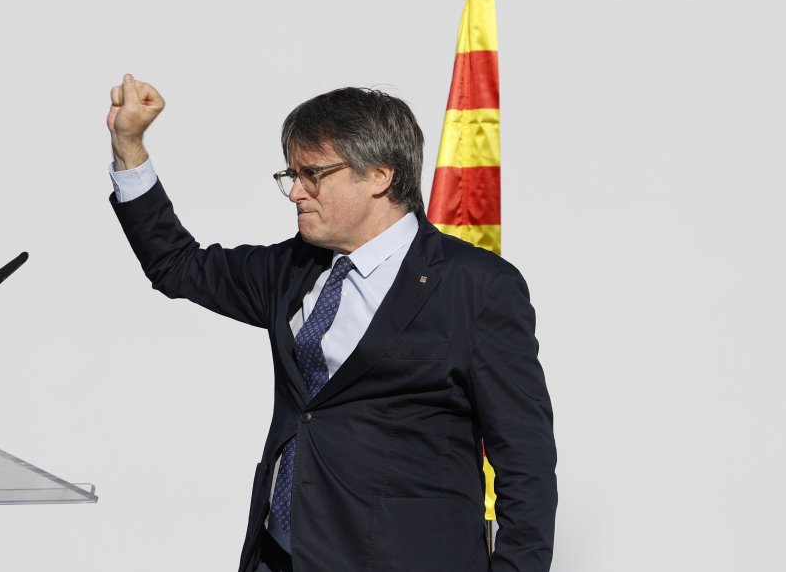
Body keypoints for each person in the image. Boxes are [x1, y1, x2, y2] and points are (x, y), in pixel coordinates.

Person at [106, 74, 556, 572]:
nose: (296, 192)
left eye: (312, 174)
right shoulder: (293, 268)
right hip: (280, 557)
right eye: (290, 175)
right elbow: (176, 265)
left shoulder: (475, 287)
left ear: (380, 175)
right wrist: (129, 146)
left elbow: (525, 459)